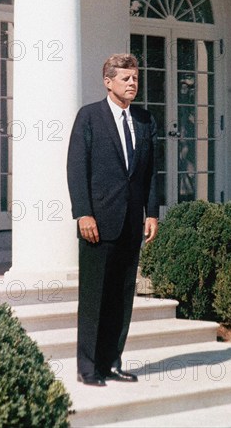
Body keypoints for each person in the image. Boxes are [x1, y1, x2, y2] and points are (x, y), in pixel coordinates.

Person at [67, 53, 159, 387]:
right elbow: (77, 168)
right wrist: (83, 213)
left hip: (132, 223)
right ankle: (88, 367)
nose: (132, 84)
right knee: (94, 297)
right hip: (97, 223)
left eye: (135, 78)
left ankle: (112, 362)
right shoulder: (89, 117)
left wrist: (152, 213)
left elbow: (150, 173)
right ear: (108, 82)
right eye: (125, 79)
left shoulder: (146, 121)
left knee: (121, 297)